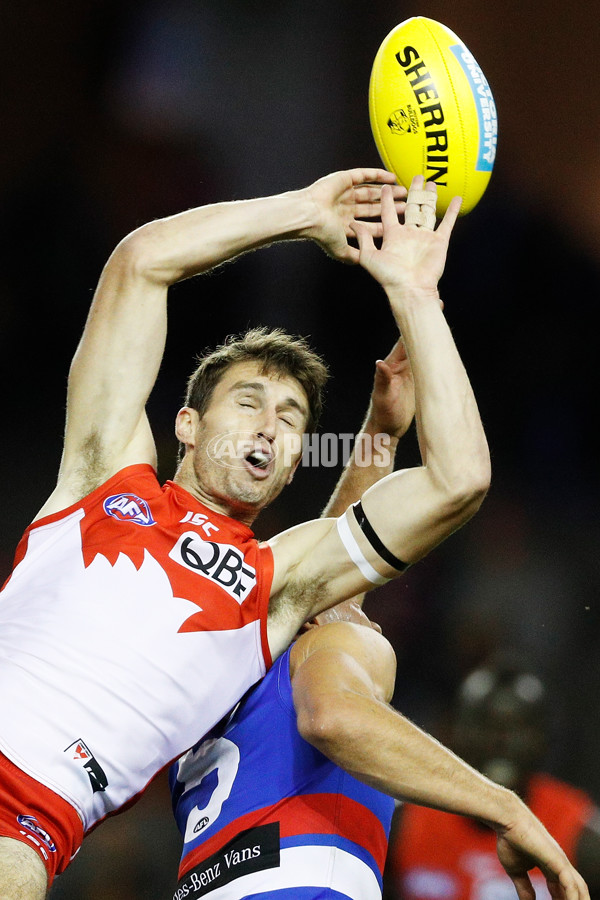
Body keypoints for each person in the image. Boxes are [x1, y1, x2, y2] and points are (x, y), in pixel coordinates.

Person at [0, 168, 490, 900]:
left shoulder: (275, 584)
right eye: (249, 401)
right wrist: (304, 212)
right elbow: (140, 265)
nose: (270, 424)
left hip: (23, 826)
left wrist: (416, 297)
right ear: (188, 427)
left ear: (294, 465)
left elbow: (458, 482)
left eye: (291, 419)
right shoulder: (105, 476)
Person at [169, 388, 589, 900]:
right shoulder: (317, 654)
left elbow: (327, 574)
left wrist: (380, 434)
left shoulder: (196, 680)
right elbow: (333, 714)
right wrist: (505, 808)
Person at [384, 652, 600, 900]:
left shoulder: (581, 836)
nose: (500, 741)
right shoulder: (401, 824)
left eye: (517, 727)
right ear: (454, 731)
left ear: (544, 739)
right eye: (484, 724)